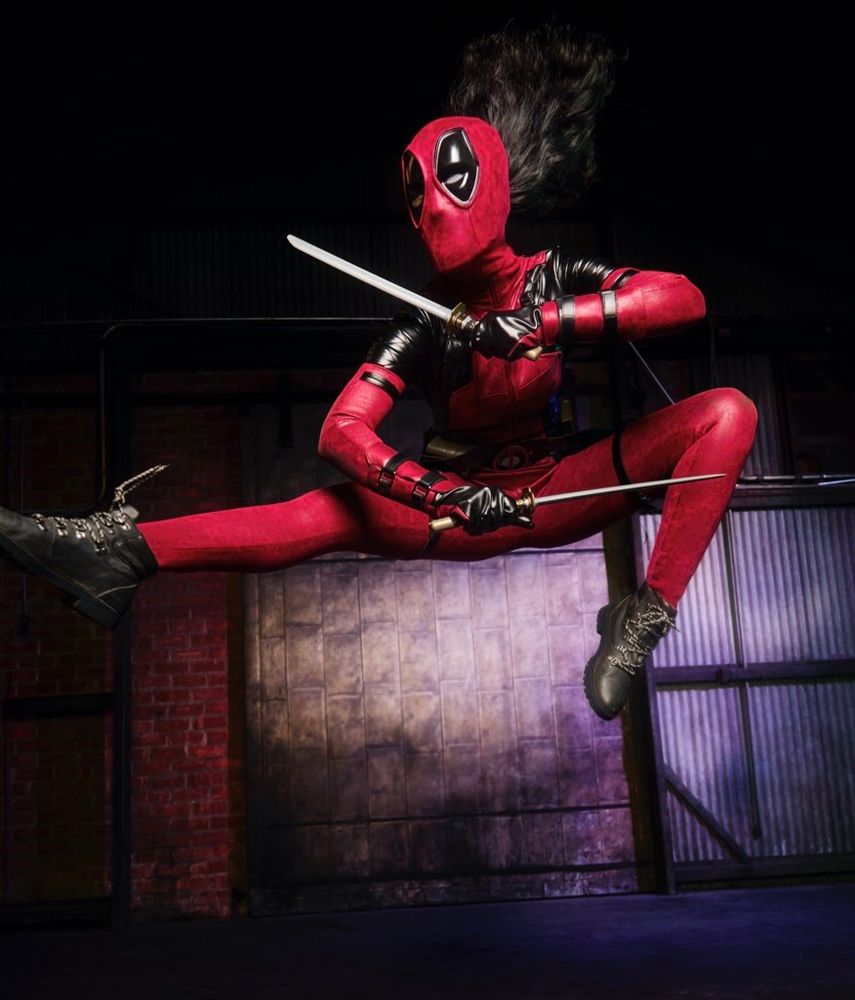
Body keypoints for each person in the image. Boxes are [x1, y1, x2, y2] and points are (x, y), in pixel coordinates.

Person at [0, 26, 757, 722]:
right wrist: (440, 495)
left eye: (450, 181)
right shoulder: (421, 322)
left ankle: (641, 618)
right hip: (457, 508)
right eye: (417, 193)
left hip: (560, 488)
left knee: (727, 413)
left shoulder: (552, 277)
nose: (432, 209)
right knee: (323, 515)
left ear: (493, 180)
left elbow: (681, 298)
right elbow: (341, 432)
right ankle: (122, 551)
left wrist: (550, 322)